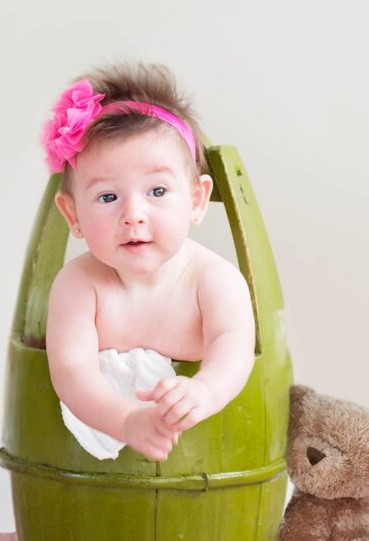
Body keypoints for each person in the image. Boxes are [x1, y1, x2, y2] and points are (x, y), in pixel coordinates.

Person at [41, 62, 255, 462]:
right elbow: (71, 371)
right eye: (108, 197)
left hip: (209, 461)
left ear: (196, 200)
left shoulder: (214, 281)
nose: (133, 215)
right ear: (73, 215)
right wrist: (126, 419)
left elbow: (234, 348)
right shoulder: (78, 286)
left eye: (157, 191)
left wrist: (205, 389)